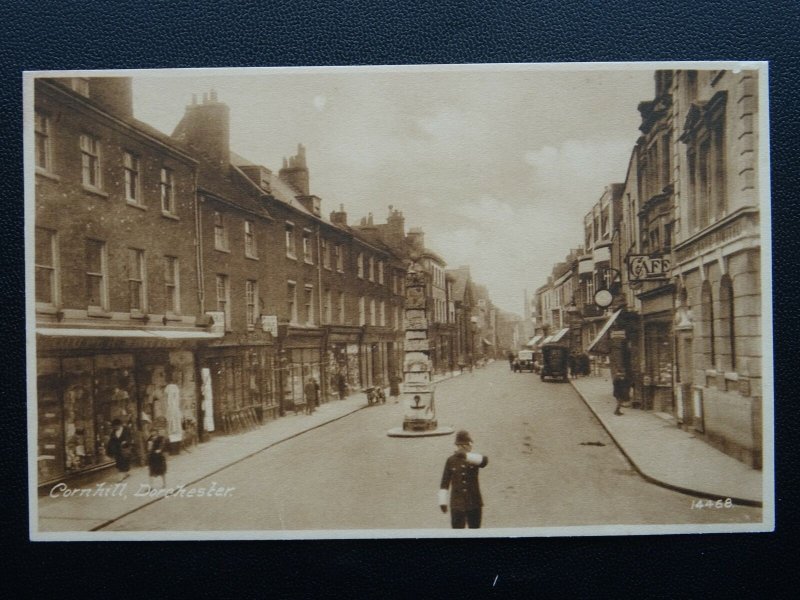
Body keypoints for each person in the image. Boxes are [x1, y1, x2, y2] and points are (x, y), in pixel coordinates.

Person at [438, 430, 489, 529]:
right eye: (468, 444)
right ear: (462, 445)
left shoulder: (474, 458)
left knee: (475, 534)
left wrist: (466, 456)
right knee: (458, 534)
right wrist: (442, 501)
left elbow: (484, 461)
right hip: (457, 506)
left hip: (474, 503)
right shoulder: (450, 460)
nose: (470, 447)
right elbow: (444, 483)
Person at [146, 424, 168, 490]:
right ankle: (151, 486)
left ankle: (164, 483)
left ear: (157, 432)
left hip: (159, 457)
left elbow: (162, 445)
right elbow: (148, 448)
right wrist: (149, 446)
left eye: (154, 431)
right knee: (151, 472)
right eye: (152, 432)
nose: (153, 433)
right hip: (152, 458)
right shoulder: (149, 439)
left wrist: (160, 449)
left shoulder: (161, 438)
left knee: (162, 471)